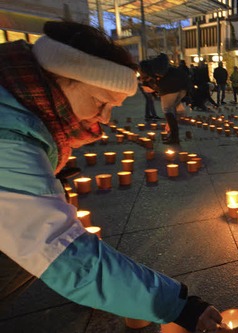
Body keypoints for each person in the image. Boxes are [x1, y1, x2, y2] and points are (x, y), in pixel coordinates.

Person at [0, 21, 223, 332]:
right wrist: (177, 304)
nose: (104, 119)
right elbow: (63, 253)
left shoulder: (18, 105)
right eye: (100, 102)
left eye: (112, 108)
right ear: (65, 79)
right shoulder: (9, 138)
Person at [140, 54, 190, 144]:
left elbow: (156, 86)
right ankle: (173, 134)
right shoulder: (158, 69)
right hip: (183, 85)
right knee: (171, 110)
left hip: (170, 86)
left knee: (167, 110)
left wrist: (153, 89)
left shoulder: (149, 75)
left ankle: (174, 137)